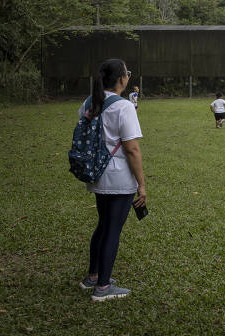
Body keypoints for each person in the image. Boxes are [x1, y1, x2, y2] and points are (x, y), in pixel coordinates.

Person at [78, 59, 146, 301]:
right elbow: (132, 149)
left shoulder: (89, 102)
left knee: (103, 225)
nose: (128, 77)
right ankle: (103, 288)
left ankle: (93, 277)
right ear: (121, 79)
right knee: (112, 231)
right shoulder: (124, 106)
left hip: (96, 173)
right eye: (127, 73)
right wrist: (142, 184)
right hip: (118, 177)